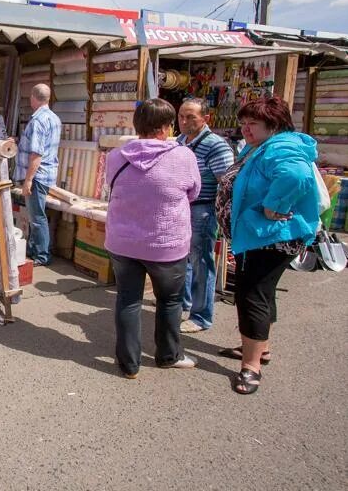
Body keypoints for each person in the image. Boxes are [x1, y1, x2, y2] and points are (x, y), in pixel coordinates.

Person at [214, 96, 318, 394]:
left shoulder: (281, 146)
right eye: (243, 123)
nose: (245, 129)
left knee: (251, 296)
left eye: (253, 124)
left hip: (270, 238)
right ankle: (262, 349)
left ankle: (251, 368)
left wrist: (274, 206)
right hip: (259, 235)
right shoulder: (261, 145)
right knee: (262, 292)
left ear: (273, 124)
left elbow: (296, 176)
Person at [104, 98, 201, 379]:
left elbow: (113, 185)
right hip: (166, 243)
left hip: (123, 241)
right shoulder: (183, 156)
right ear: (167, 127)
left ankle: (128, 364)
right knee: (169, 301)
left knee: (128, 299)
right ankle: (168, 355)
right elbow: (193, 192)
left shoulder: (115, 157)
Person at [176, 98, 235, 333]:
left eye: (191, 116)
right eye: (182, 115)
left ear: (205, 119)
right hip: (184, 207)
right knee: (184, 258)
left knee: (201, 262)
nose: (184, 121)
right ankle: (184, 301)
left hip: (203, 209)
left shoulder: (215, 145)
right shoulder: (181, 141)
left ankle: (201, 316)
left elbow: (227, 183)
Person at [15, 83, 61, 266]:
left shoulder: (38, 121)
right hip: (46, 173)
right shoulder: (54, 118)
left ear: (33, 98)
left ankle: (41, 256)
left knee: (37, 217)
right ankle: (35, 251)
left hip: (38, 175)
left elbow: (37, 153)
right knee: (37, 215)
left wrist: (28, 180)